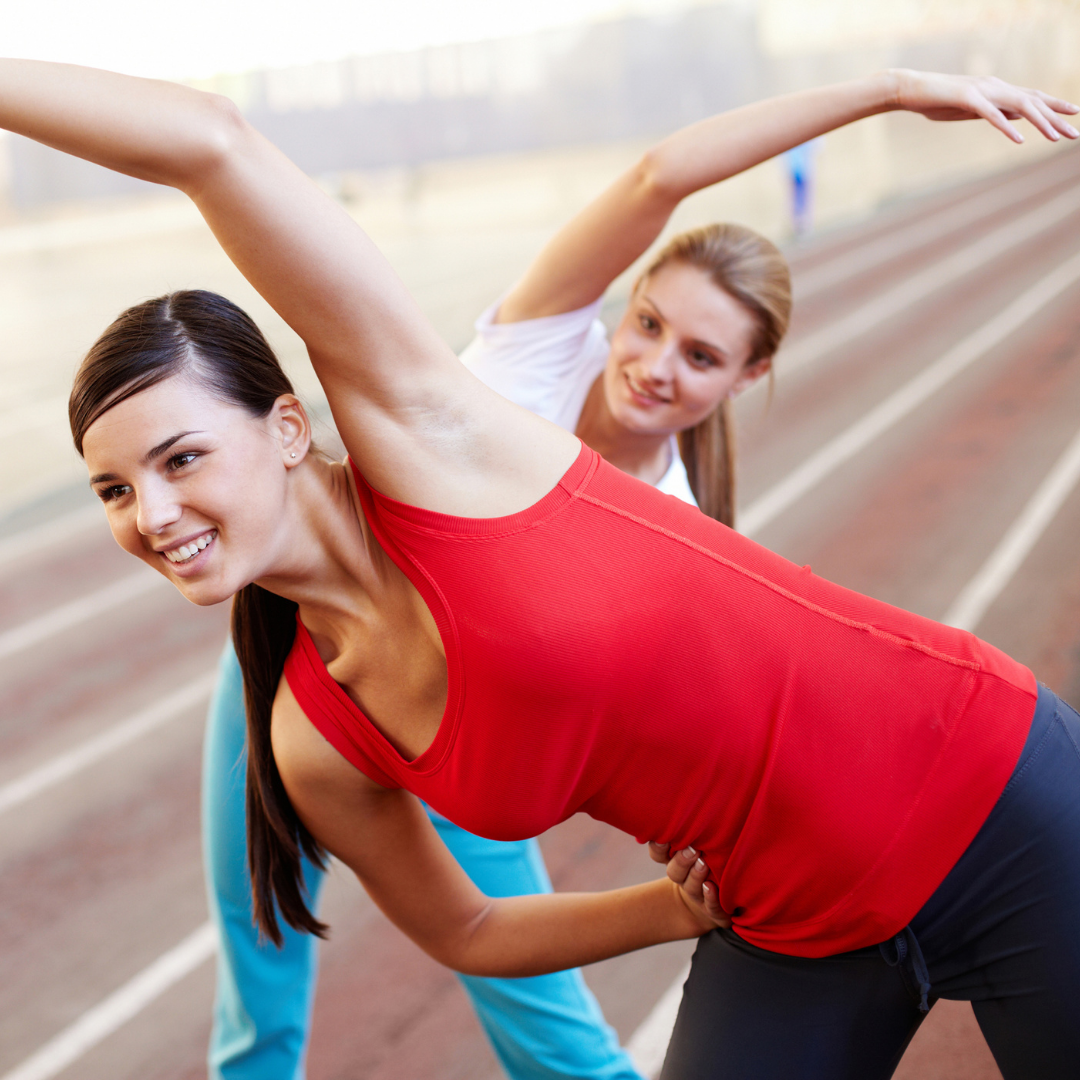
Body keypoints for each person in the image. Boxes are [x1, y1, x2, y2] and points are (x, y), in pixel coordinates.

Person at [6, 56, 1079, 1079]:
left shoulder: (440, 440)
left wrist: (896, 88)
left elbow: (210, 142)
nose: (151, 514)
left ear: (290, 428)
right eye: (111, 491)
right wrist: (668, 910)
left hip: (981, 793)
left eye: (181, 458)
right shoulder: (310, 737)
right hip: (789, 925)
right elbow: (468, 927)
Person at [204, 215, 788, 1077]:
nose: (658, 364)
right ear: (624, 309)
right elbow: (659, 178)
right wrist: (885, 90)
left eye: (702, 357)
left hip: (456, 724)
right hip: (298, 665)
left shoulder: (678, 523)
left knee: (543, 1020)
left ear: (749, 376)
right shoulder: (537, 356)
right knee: (258, 925)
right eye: (651, 323)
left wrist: (694, 846)